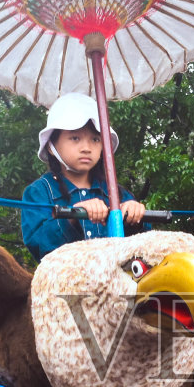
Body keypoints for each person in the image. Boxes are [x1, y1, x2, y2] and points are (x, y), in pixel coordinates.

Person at [19, 91, 147, 261]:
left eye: (95, 139)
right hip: (65, 285)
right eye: (75, 138)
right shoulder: (38, 192)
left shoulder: (117, 194)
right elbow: (39, 244)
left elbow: (142, 249)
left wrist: (136, 218)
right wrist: (73, 218)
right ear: (51, 146)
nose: (86, 147)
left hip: (116, 284)